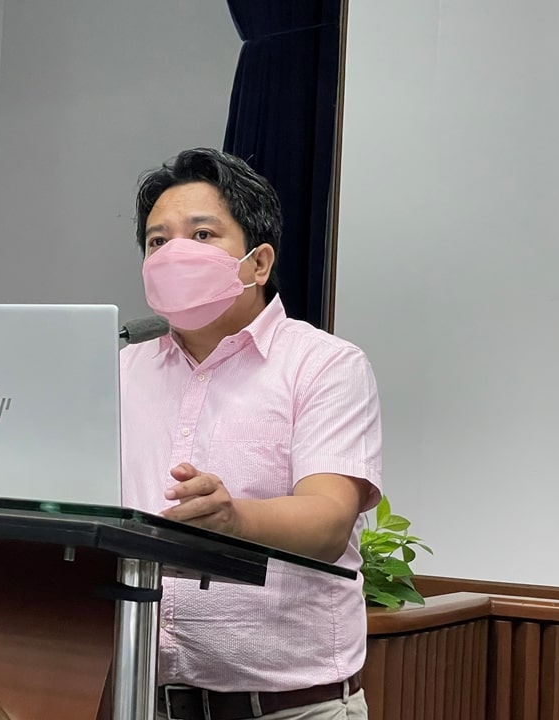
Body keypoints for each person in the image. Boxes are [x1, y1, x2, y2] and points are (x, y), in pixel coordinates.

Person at [119, 148, 382, 720]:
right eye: (157, 241)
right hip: (135, 700)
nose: (173, 254)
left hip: (289, 708)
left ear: (258, 263)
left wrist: (233, 521)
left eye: (202, 234)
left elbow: (330, 521)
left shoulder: (324, 366)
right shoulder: (116, 372)